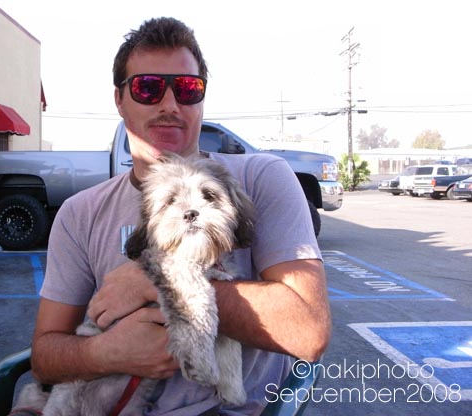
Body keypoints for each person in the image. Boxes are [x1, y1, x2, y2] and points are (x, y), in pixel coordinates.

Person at [31, 16, 331, 415]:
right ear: (119, 99)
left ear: (202, 98)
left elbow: (308, 331)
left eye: (187, 89)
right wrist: (104, 353)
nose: (169, 105)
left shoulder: (259, 179)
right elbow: (45, 357)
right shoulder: (80, 213)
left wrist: (156, 281)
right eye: (148, 88)